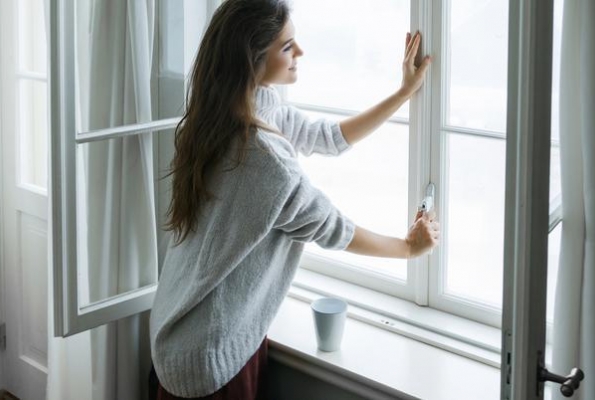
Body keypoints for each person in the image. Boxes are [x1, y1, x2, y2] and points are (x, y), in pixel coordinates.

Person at [149, 0, 438, 399]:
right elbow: (331, 227)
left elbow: (327, 138)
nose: (299, 53)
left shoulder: (228, 111)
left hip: (181, 333)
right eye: (287, 47)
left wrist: (403, 93)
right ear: (252, 58)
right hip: (209, 357)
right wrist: (408, 248)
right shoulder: (264, 160)